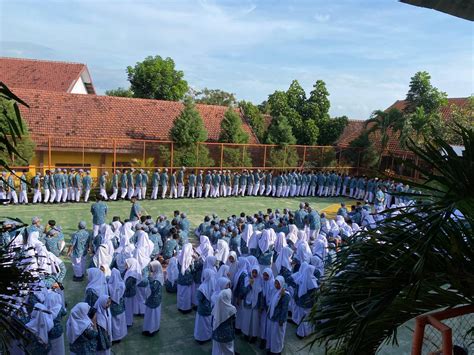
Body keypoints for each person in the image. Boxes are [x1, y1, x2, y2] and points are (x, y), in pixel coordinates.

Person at [266, 276, 291, 354]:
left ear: (282, 284)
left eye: (278, 284)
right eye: (275, 283)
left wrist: (281, 320)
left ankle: (277, 351)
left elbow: (285, 309)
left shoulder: (285, 294)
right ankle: (271, 349)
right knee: (272, 336)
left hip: (278, 320)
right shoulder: (275, 291)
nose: (276, 285)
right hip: (273, 317)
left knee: (278, 337)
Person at [212, 289, 237, 355]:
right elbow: (233, 321)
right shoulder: (232, 309)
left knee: (220, 349)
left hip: (217, 332)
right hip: (227, 333)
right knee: (228, 349)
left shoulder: (217, 306)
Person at [241, 265, 262, 342]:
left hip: (256, 304)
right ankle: (246, 334)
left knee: (254, 321)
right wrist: (250, 285)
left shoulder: (260, 280)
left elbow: (261, 294)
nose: (254, 274)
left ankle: (254, 336)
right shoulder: (247, 279)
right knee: (247, 319)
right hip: (248, 303)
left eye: (256, 273)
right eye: (253, 272)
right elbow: (244, 291)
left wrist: (260, 306)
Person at [143, 260, 164, 336]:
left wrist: (150, 278)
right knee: (150, 314)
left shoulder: (158, 277)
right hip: (152, 299)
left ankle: (152, 329)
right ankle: (148, 328)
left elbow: (153, 288)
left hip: (154, 299)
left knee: (153, 315)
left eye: (151, 267)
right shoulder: (156, 274)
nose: (150, 269)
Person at [194, 268, 215, 343]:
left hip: (202, 309)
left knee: (201, 324)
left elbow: (199, 298)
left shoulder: (202, 287)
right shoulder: (213, 285)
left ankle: (201, 338)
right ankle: (208, 336)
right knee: (208, 323)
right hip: (210, 308)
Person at [108, 268, 127, 343]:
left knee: (114, 323)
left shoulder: (109, 286)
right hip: (120, 307)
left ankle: (114, 337)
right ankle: (120, 336)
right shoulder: (122, 284)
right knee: (120, 322)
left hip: (112, 308)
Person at [44, 290, 67, 355]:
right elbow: (64, 313)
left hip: (48, 332)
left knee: (51, 349)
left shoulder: (44, 309)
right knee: (60, 348)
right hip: (58, 331)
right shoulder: (59, 308)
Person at [177, 243, 194, 313]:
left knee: (180, 293)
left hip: (180, 279)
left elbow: (178, 267)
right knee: (186, 294)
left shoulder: (180, 258)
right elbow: (193, 270)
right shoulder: (190, 259)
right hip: (187, 281)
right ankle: (186, 308)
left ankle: (180, 307)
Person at [124, 258, 141, 327]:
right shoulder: (131, 272)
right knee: (130, 308)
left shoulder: (131, 275)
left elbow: (127, 285)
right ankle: (130, 321)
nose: (125, 265)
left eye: (127, 263)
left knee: (128, 308)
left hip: (129, 293)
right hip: (131, 292)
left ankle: (128, 322)